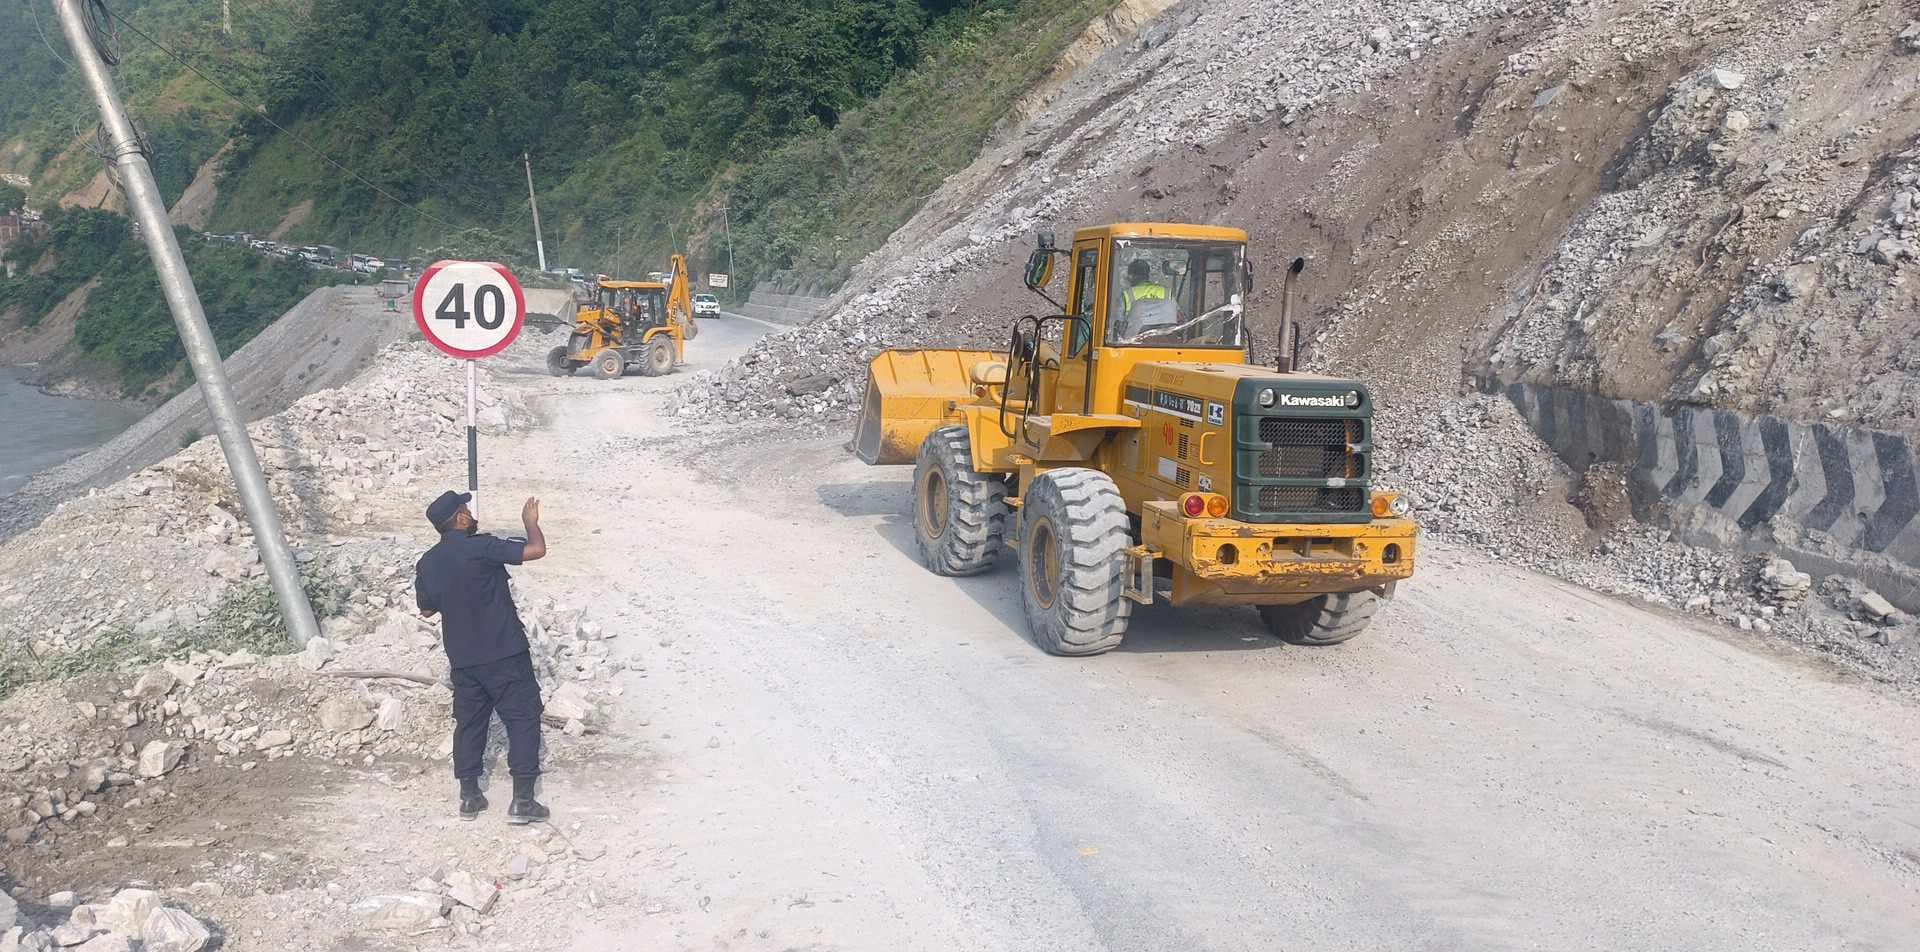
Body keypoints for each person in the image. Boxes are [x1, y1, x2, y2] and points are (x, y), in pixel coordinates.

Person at [415, 490, 550, 823]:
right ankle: (522, 802)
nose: (471, 513)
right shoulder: (482, 548)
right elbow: (536, 550)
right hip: (504, 652)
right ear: (460, 518)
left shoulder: (428, 562)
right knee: (522, 718)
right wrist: (530, 523)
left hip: (463, 659)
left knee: (470, 723)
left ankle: (470, 797)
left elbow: (427, 609)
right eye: (467, 509)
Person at [1117, 258, 1176, 338]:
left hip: (1133, 344)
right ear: (1147, 274)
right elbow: (1179, 319)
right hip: (1166, 343)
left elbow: (1119, 325)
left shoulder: (1126, 294)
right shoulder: (1166, 292)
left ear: (1131, 276)